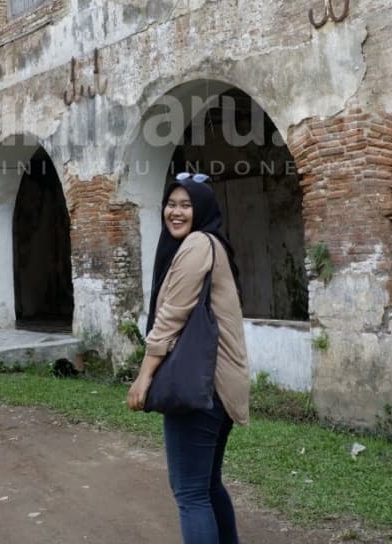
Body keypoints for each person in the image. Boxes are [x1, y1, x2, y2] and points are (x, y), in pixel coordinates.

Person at [127, 172, 249, 544]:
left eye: (186, 205)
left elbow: (171, 317)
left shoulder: (197, 244)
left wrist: (144, 376)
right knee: (207, 485)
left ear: (204, 210)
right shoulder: (212, 243)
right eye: (171, 204)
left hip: (200, 387)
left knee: (190, 493)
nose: (175, 212)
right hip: (220, 387)